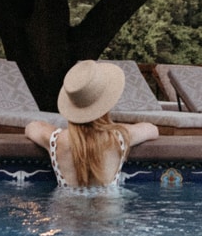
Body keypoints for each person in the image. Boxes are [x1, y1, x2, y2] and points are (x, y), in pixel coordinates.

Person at [25, 60, 159, 189]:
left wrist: (57, 130)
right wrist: (117, 126)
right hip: (109, 212)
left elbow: (32, 127)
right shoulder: (119, 137)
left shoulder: (56, 140)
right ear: (105, 105)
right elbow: (152, 130)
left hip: (65, 211)